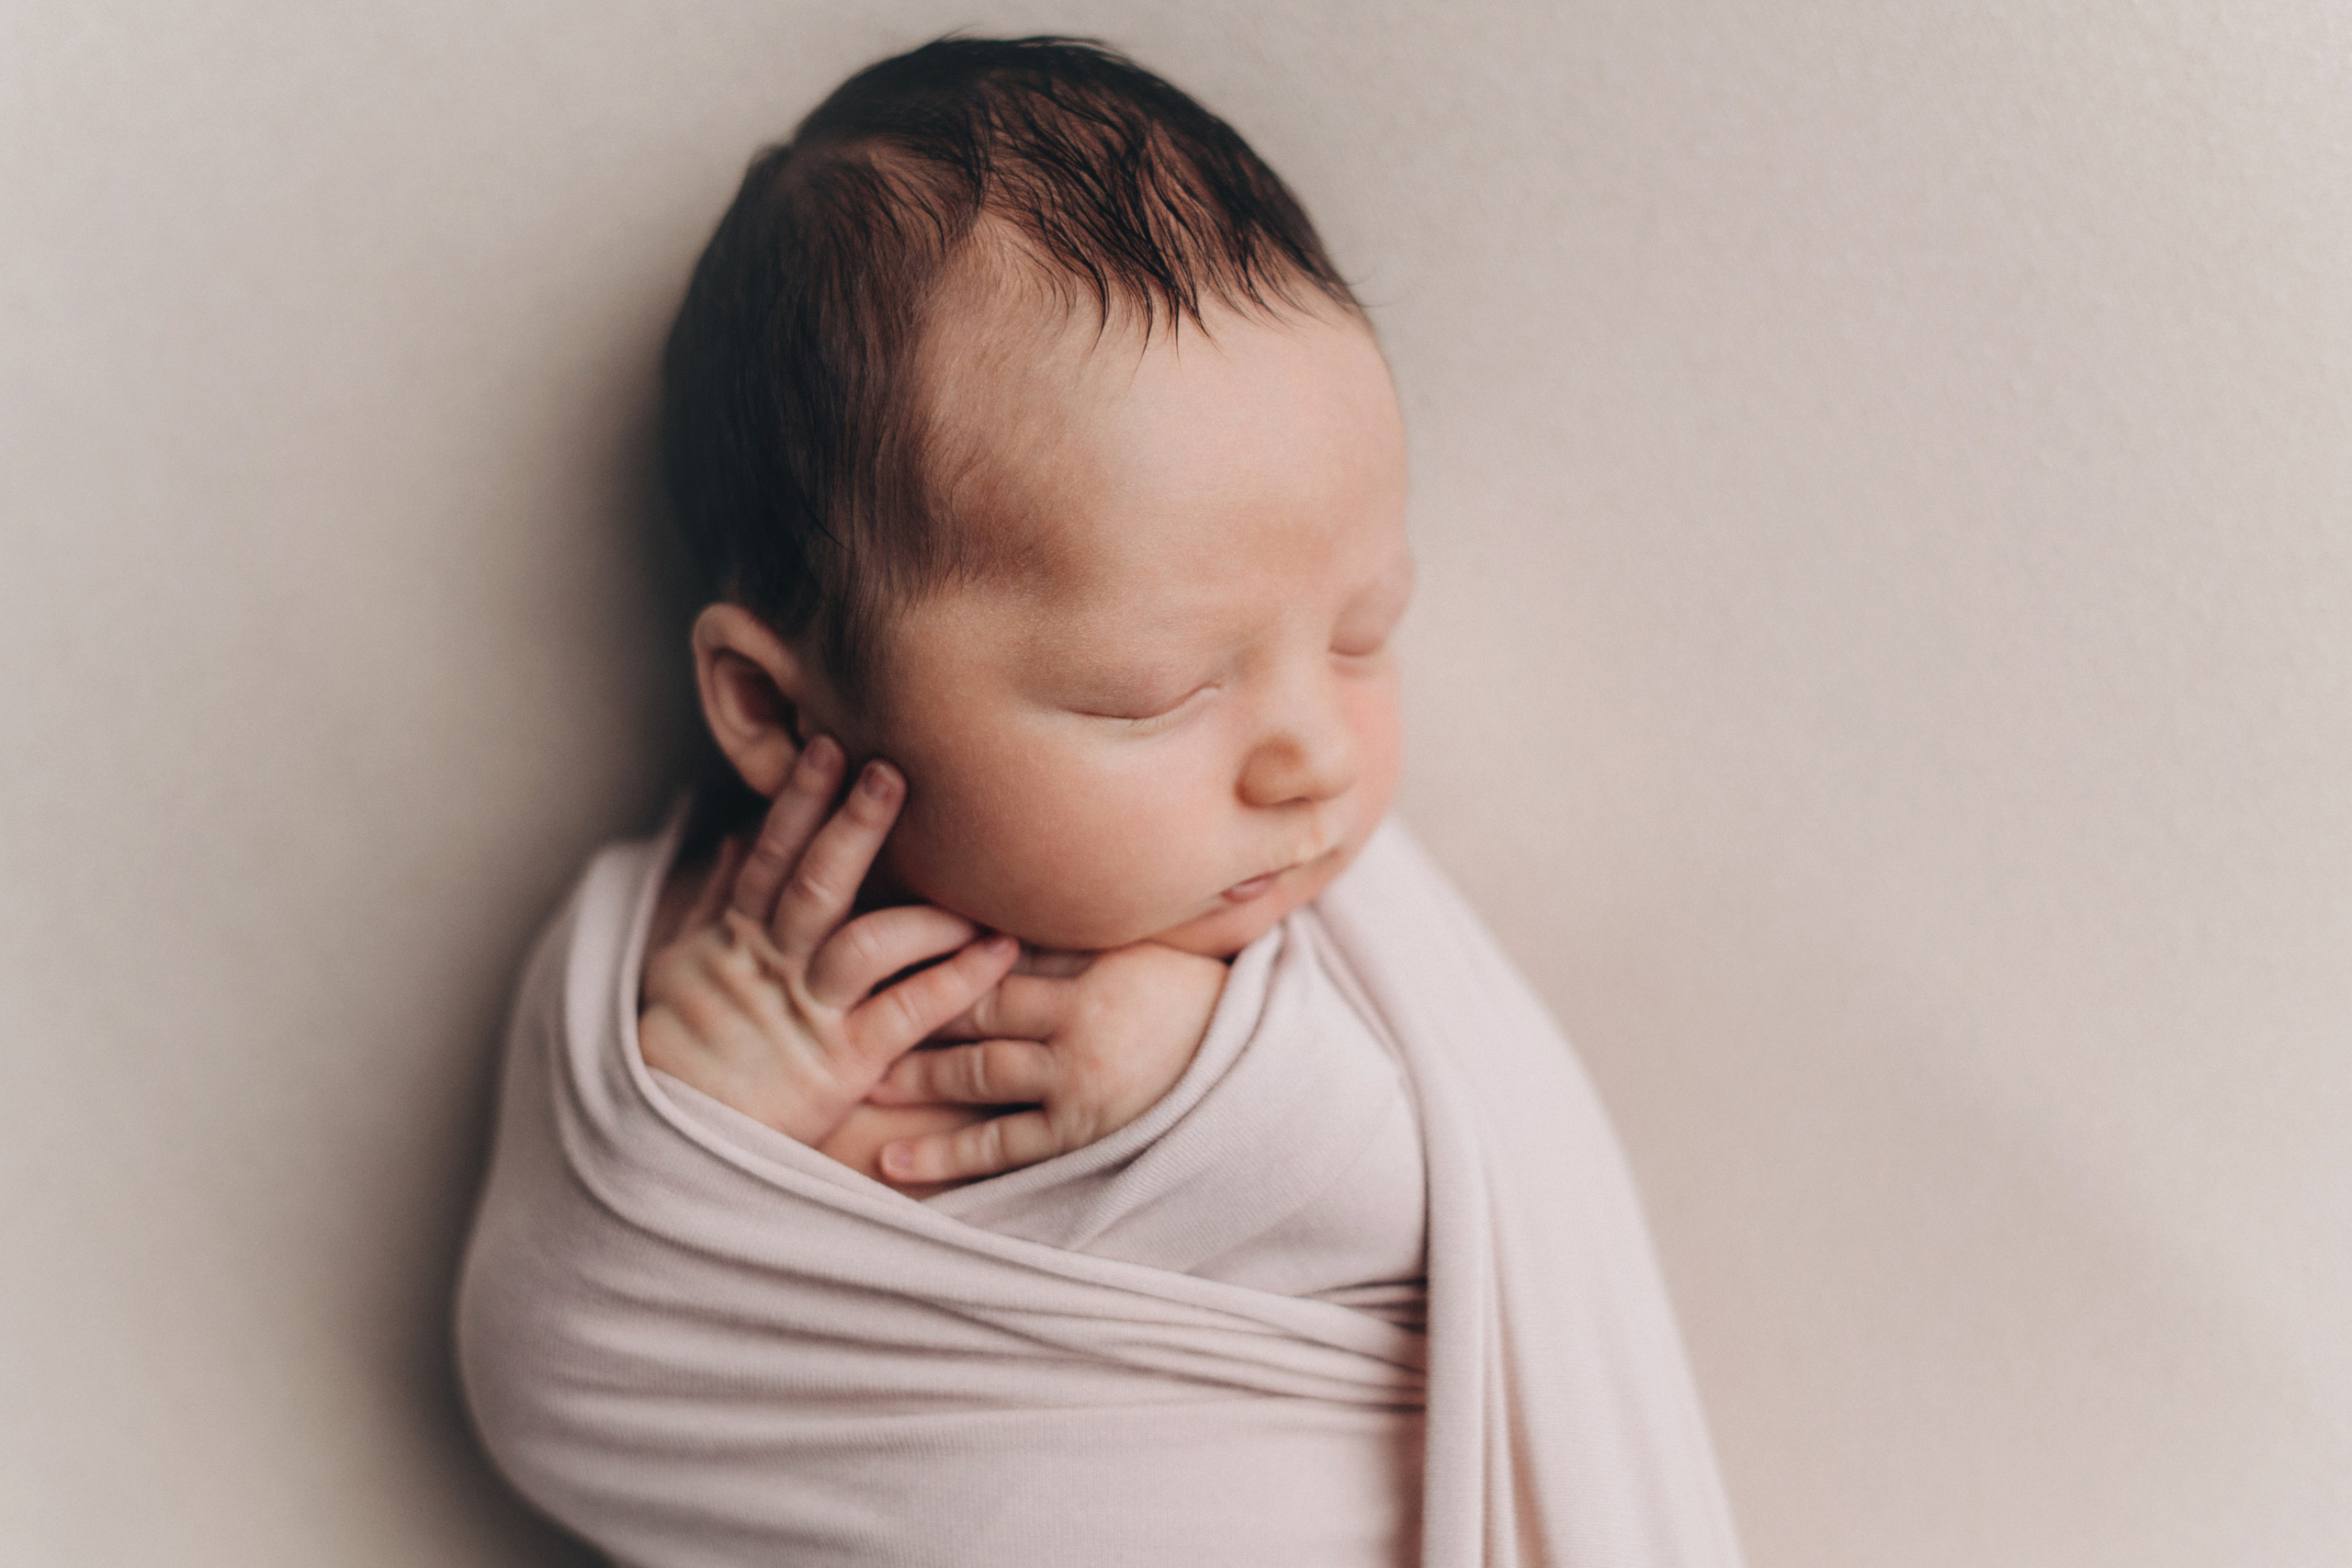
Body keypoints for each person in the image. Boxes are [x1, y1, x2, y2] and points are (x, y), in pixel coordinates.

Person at [457, 36, 1744, 1568]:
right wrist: (698, 1136)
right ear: (775, 708)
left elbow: (1507, 1220)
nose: (1311, 757)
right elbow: (551, 1392)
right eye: (1152, 693)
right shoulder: (673, 969)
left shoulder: (1327, 962)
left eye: (1361, 636)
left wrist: (1214, 1089)